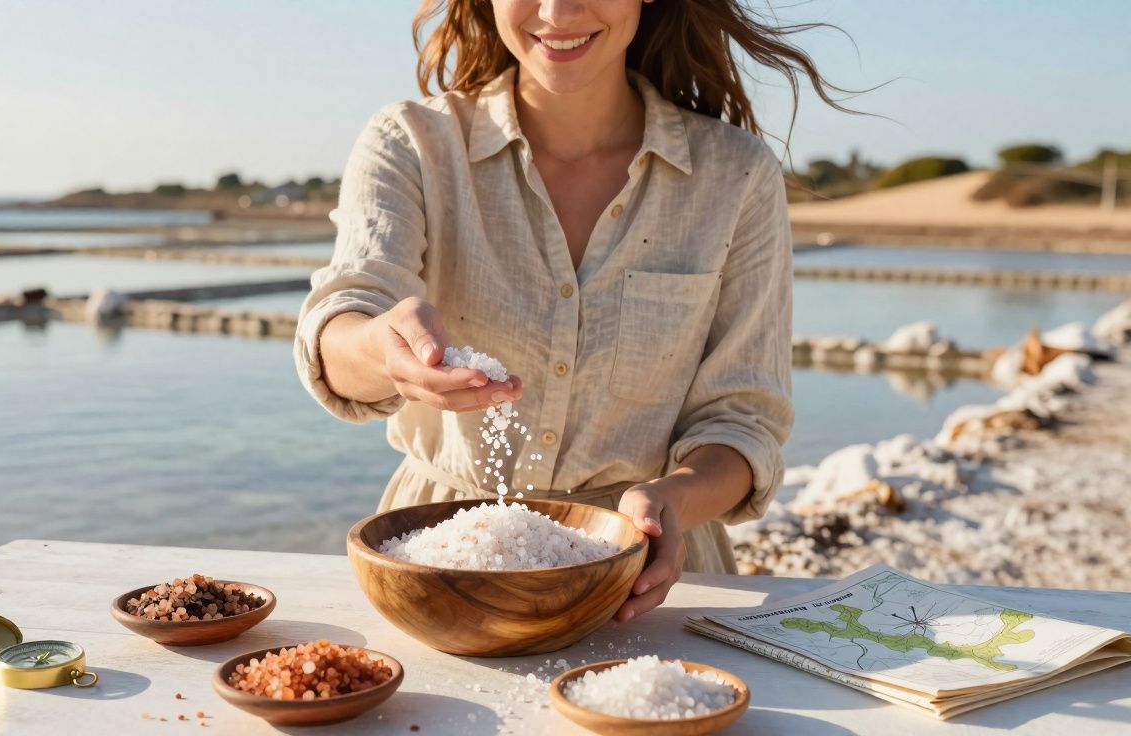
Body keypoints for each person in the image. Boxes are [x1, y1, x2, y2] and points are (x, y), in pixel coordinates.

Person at [295, 0, 848, 621]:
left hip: (650, 575)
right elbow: (344, 318)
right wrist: (383, 350)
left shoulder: (737, 175)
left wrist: (676, 499)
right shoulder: (412, 142)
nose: (558, 10)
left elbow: (744, 421)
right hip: (444, 566)